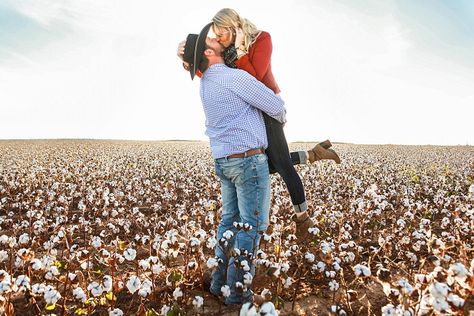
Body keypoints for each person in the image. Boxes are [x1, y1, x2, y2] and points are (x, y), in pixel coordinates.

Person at [177, 8, 341, 241]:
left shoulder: (262, 39)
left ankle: (303, 220)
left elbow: (254, 79)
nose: (219, 38)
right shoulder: (228, 50)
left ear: (232, 26)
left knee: (282, 165)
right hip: (250, 112)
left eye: (220, 33)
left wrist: (242, 49)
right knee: (265, 165)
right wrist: (185, 60)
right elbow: (216, 75)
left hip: (267, 107)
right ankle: (313, 154)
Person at [181, 22, 286, 305]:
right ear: (208, 51)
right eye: (212, 40)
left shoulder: (206, 83)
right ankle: (238, 294)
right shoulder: (232, 77)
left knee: (228, 222)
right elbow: (276, 107)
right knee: (251, 226)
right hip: (248, 161)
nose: (217, 39)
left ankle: (219, 285)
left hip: (225, 162)